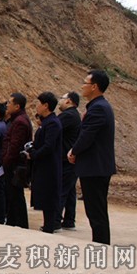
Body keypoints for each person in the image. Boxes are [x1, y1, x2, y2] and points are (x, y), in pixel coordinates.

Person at [68, 70, 116, 245]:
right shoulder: (99, 106)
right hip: (97, 166)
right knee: (97, 210)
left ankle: (101, 246)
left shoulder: (98, 108)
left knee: (96, 211)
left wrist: (74, 152)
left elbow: (87, 136)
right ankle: (101, 244)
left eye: (85, 82)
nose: (82, 86)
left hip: (95, 167)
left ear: (94, 87)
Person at [25, 92, 63, 234]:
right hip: (43, 165)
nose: (36, 107)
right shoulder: (46, 122)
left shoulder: (53, 123)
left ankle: (49, 227)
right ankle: (47, 225)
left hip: (49, 166)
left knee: (49, 196)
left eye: (38, 104)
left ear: (46, 106)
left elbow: (48, 146)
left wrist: (33, 154)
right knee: (45, 195)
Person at [2, 92, 33, 229]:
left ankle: (20, 223)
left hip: (14, 165)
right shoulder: (19, 119)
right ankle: (12, 221)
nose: (7, 105)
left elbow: (14, 145)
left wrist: (6, 160)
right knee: (13, 195)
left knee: (15, 195)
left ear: (17, 106)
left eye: (9, 103)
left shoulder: (20, 122)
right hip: (14, 163)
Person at [57, 91, 81, 230]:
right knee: (70, 191)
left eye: (62, 98)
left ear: (69, 101)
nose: (60, 101)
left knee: (61, 190)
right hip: (70, 159)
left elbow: (53, 129)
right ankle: (69, 220)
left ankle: (54, 221)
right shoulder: (74, 115)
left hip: (66, 160)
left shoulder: (68, 116)